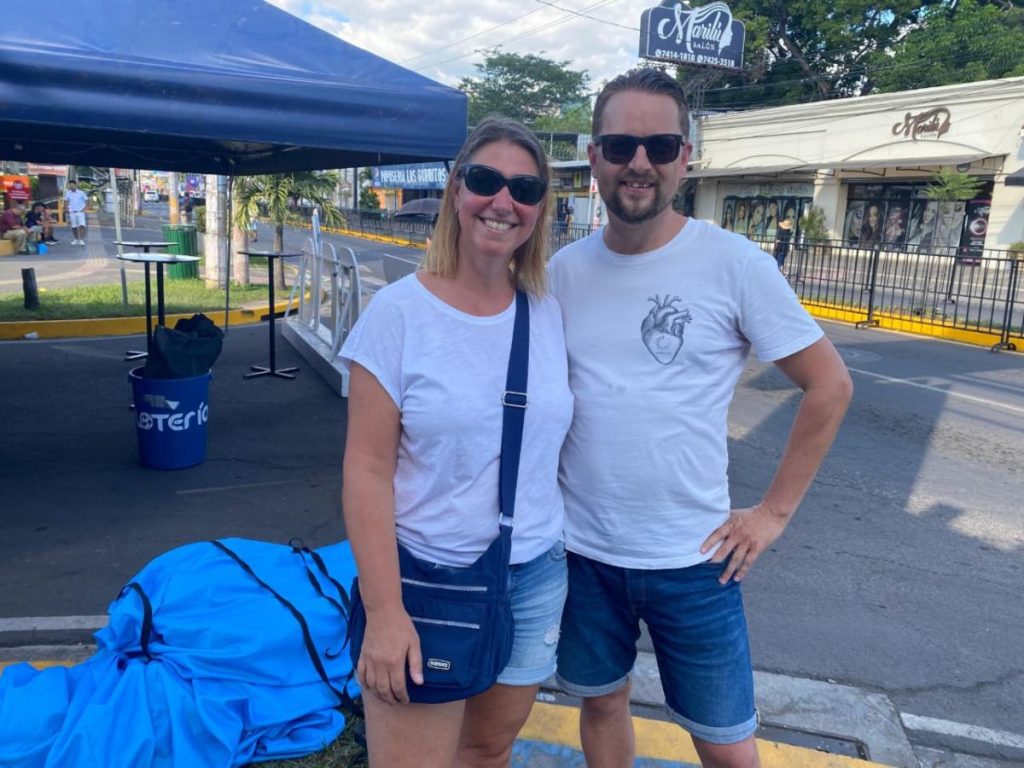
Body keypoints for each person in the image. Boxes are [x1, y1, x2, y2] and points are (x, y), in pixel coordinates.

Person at [548, 68, 853, 768]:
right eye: (620, 143)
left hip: (696, 558)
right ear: (593, 155)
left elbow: (829, 386)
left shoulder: (734, 263)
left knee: (727, 745)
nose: (639, 162)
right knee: (601, 703)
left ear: (685, 157)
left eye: (659, 144)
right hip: (585, 552)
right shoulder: (563, 272)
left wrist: (772, 514)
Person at [339, 117, 573, 767]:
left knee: (487, 752)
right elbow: (365, 471)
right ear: (454, 193)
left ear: (540, 209)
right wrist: (385, 613)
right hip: (424, 580)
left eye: (524, 188)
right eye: (485, 180)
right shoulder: (399, 315)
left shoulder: (546, 310)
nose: (504, 201)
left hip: (532, 578)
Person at [63, 180, 88, 245]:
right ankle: (76, 239)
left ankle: (81, 240)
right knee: (74, 227)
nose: (71, 186)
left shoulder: (81, 193)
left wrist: (85, 209)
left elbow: (87, 201)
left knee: (82, 225)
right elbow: (65, 202)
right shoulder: (68, 193)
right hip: (72, 212)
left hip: (80, 212)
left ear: (76, 185)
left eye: (72, 185)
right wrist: (66, 209)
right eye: (70, 185)